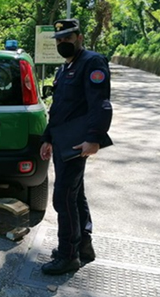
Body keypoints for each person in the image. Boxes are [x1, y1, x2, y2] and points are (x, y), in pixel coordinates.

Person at [39, 18, 113, 275]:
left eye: (67, 39)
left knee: (63, 198)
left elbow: (100, 104)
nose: (62, 43)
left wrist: (94, 138)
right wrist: (47, 138)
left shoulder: (92, 62)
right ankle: (83, 247)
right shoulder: (64, 69)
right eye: (59, 40)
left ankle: (68, 255)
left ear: (80, 38)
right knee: (75, 194)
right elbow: (58, 109)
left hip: (77, 144)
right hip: (61, 141)